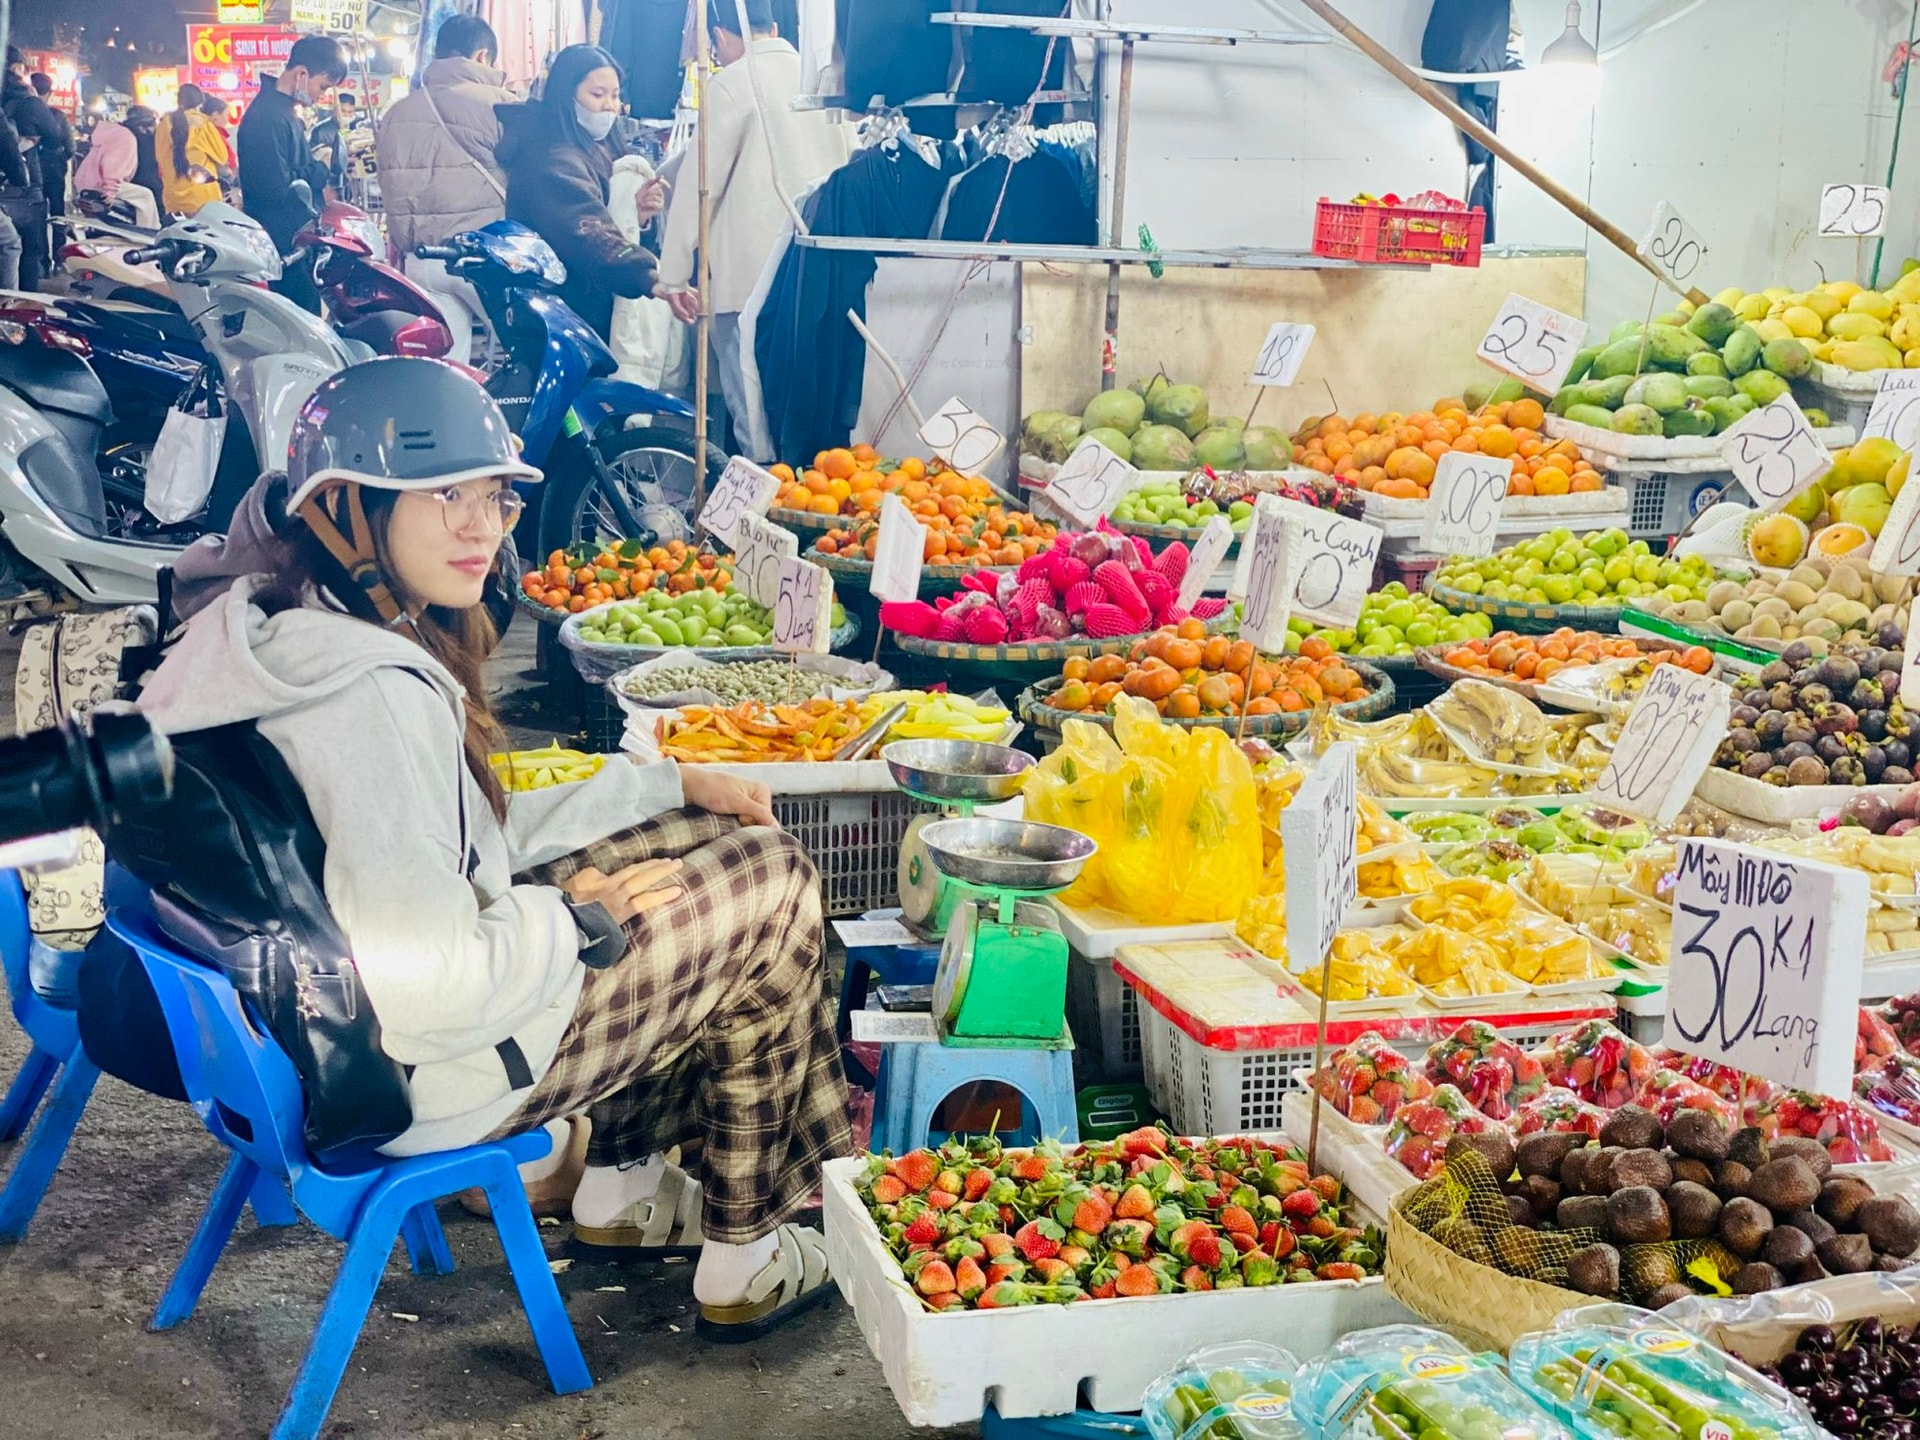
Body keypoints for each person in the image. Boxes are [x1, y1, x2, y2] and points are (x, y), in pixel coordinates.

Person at [129, 357, 847, 1337]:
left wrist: (662, 783)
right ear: (343, 506)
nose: (483, 526)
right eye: (443, 496)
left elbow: (462, 827)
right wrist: (578, 919)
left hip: (317, 1039)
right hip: (424, 1078)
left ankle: (625, 1189)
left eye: (495, 498)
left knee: (682, 840)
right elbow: (426, 990)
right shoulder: (370, 696)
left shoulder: (273, 627)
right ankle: (750, 1249)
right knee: (775, 884)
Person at [655, 0, 846, 452]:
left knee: (754, 420)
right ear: (775, 27)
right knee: (806, 411)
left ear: (719, 38)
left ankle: (760, 513)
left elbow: (699, 188)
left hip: (748, 280)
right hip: (817, 276)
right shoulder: (823, 80)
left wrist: (673, 276)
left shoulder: (733, 84)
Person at [496, 45, 681, 341]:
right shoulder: (549, 160)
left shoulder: (601, 150)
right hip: (563, 315)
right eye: (597, 95)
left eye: (615, 95)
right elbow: (585, 230)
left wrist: (639, 216)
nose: (610, 105)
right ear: (566, 96)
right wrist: (646, 276)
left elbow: (607, 222)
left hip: (592, 307)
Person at [376, 14, 515, 365]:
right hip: (487, 259)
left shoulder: (396, 113)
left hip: (424, 261)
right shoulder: (504, 105)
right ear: (483, 57)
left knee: (449, 373)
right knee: (528, 356)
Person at [236, 35, 346, 313]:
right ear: (301, 74)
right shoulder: (268, 117)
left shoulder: (282, 112)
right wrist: (320, 166)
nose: (321, 96)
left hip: (294, 240)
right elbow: (275, 188)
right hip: (283, 244)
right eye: (322, 86)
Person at [71, 111, 158, 227]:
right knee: (146, 196)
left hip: (87, 181)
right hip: (100, 184)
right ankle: (147, 233)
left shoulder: (115, 132)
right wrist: (110, 191)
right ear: (141, 127)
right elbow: (112, 165)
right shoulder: (127, 137)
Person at [157, 83, 229, 217]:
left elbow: (160, 156)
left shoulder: (164, 124)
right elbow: (222, 156)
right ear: (200, 103)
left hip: (173, 199)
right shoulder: (204, 124)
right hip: (203, 198)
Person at [26, 73, 70, 219]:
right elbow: (70, 147)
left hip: (29, 172)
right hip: (54, 170)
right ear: (50, 93)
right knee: (58, 213)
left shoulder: (19, 112)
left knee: (36, 215)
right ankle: (60, 242)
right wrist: (59, 159)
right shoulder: (58, 115)